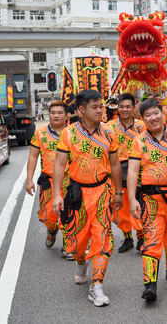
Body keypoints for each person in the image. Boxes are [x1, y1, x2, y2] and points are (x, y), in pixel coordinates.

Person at [52, 89, 123, 307]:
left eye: (101, 106)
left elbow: (114, 165)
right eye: (95, 106)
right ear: (81, 110)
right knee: (76, 243)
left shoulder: (109, 133)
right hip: (77, 195)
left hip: (102, 192)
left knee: (103, 240)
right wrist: (56, 194)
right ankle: (81, 263)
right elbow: (60, 164)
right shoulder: (69, 133)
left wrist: (118, 193)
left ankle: (97, 285)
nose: (101, 110)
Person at [128, 99, 167, 302]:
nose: (153, 118)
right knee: (152, 239)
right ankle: (150, 284)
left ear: (163, 114)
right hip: (150, 198)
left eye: (156, 113)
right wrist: (131, 199)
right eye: (148, 115)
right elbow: (133, 171)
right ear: (142, 119)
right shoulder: (138, 141)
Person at [25, 100, 71, 258]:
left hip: (70, 182)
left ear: (67, 115)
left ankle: (68, 247)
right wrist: (29, 180)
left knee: (69, 214)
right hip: (48, 182)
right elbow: (32, 157)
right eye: (53, 113)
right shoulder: (40, 134)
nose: (56, 115)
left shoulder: (73, 133)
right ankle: (52, 230)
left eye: (60, 113)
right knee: (46, 216)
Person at [112, 93, 146, 253]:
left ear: (134, 107)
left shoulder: (142, 126)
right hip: (118, 170)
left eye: (128, 106)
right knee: (122, 207)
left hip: (138, 169)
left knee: (138, 203)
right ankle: (127, 239)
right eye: (121, 106)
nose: (124, 109)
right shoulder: (109, 127)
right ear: (117, 107)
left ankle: (141, 238)